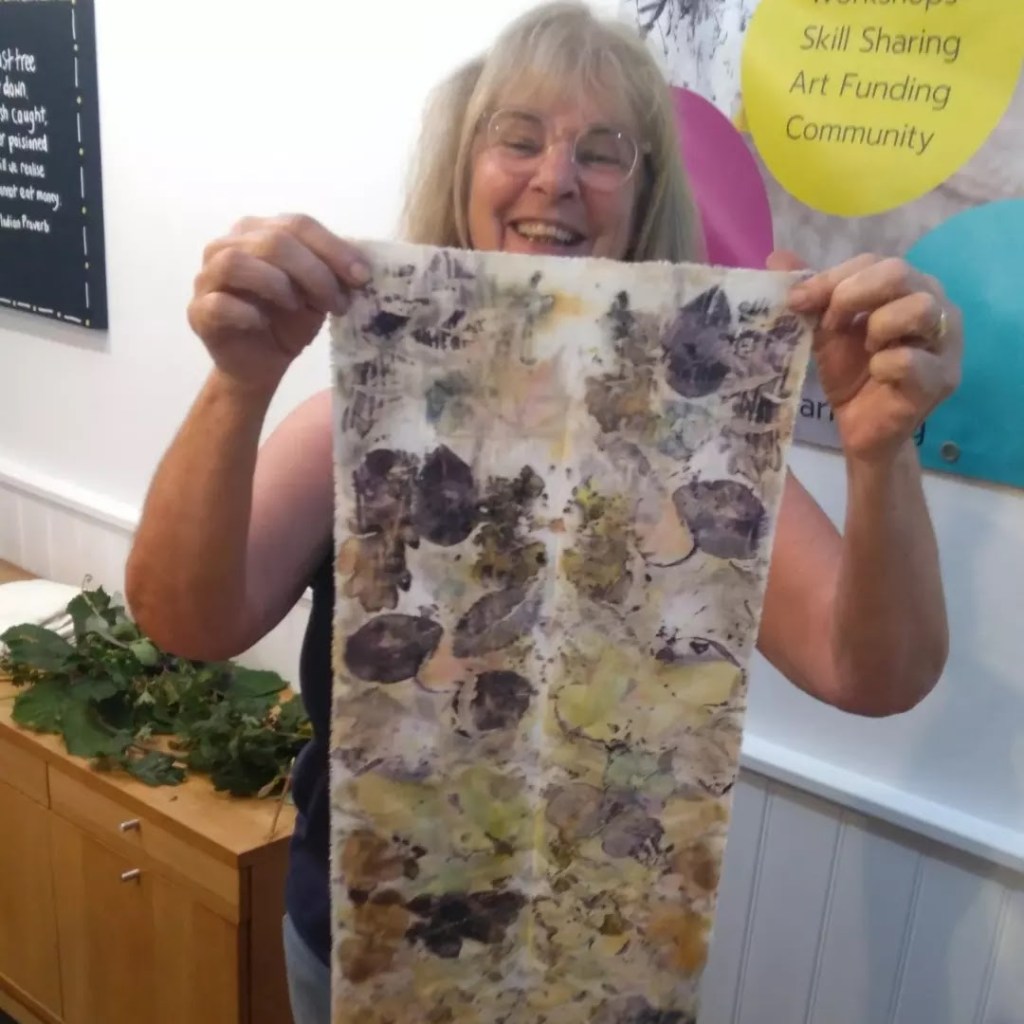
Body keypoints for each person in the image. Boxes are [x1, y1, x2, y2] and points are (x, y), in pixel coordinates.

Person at [124, 3, 963, 1021]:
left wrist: (880, 455)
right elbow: (184, 619)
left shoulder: (704, 443)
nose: (556, 177)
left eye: (602, 153)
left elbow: (874, 676)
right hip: (371, 941)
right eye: (517, 138)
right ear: (463, 168)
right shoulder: (367, 414)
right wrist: (239, 382)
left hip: (604, 960)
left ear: (644, 195)